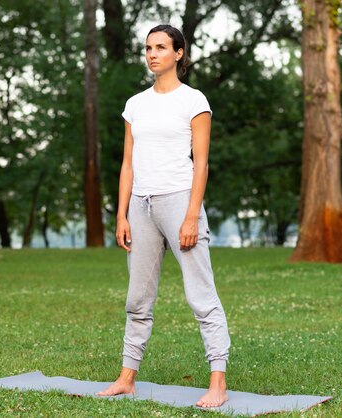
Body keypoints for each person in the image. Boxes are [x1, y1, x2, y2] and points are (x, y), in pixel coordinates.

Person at [96, 24, 231, 408]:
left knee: (201, 295)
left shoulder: (194, 101)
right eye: (147, 48)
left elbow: (201, 164)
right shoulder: (135, 104)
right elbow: (127, 164)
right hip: (140, 207)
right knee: (137, 299)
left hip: (179, 201)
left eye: (160, 47)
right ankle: (127, 377)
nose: (152, 54)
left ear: (179, 54)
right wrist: (121, 215)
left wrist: (191, 216)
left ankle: (218, 380)